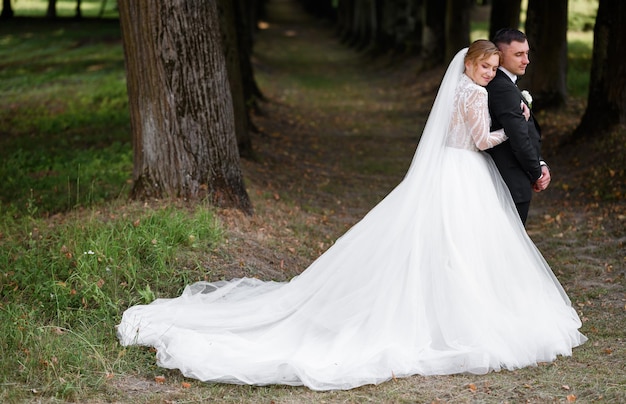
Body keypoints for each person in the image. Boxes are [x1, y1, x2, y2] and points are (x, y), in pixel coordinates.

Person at [117, 40, 585, 391]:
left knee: (448, 242)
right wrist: (514, 127)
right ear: (468, 65)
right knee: (460, 241)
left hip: (452, 170)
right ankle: (459, 317)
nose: (487, 73)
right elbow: (482, 141)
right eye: (483, 66)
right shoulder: (474, 94)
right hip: (464, 171)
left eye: (491, 67)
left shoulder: (462, 90)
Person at [486, 28, 550, 225]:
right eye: (518, 54)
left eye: (527, 53)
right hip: (510, 180)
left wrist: (539, 162)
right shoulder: (502, 88)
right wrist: (536, 173)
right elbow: (519, 138)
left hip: (512, 177)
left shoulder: (505, 84)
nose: (526, 60)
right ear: (500, 56)